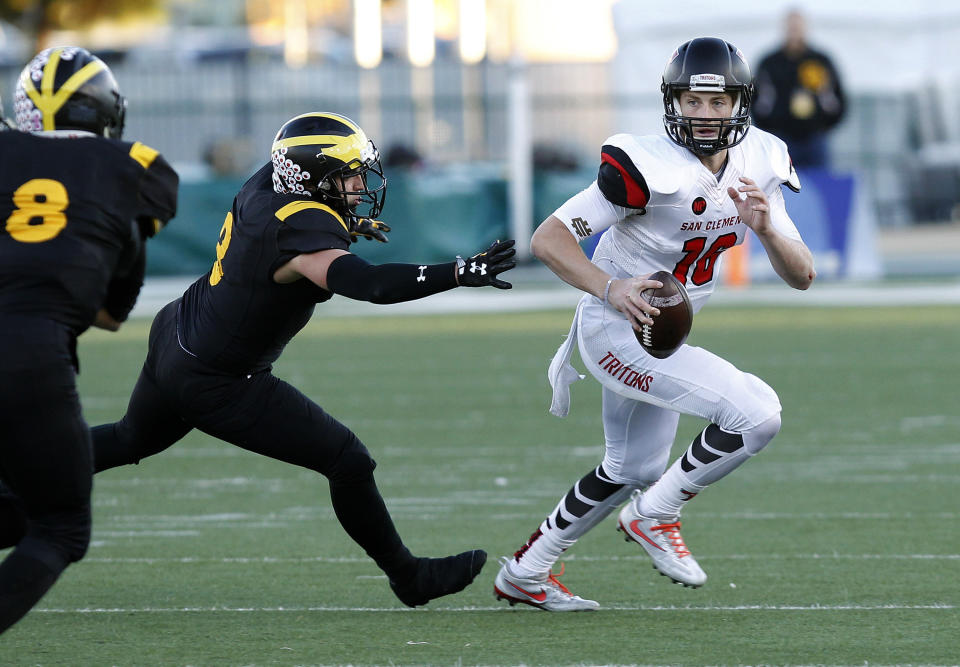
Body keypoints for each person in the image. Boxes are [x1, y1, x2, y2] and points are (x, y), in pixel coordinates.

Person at [91, 111, 516, 607]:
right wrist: (459, 271)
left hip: (178, 331)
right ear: (314, 181)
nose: (359, 183)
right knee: (347, 460)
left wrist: (342, 222)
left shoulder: (267, 180)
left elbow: (298, 223)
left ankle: (16, 477)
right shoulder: (302, 228)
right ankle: (409, 576)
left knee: (128, 438)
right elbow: (369, 285)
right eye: (348, 175)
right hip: (219, 377)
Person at [493, 37, 816, 611]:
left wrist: (765, 229)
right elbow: (548, 239)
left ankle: (527, 569)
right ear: (674, 103)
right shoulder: (645, 166)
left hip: (664, 332)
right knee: (757, 415)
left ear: (741, 104)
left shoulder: (762, 160)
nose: (706, 116)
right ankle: (654, 514)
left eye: (718, 104)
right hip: (617, 326)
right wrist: (609, 287)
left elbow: (803, 276)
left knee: (634, 466)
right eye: (694, 101)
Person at [0, 46, 178, 633]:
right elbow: (108, 314)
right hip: (28, 352)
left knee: (16, 508)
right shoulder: (133, 169)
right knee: (60, 524)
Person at [751, 9, 846, 169]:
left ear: (805, 28)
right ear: (784, 28)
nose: (794, 31)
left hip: (815, 138)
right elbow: (757, 99)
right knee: (780, 182)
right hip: (780, 136)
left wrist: (824, 125)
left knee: (819, 185)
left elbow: (836, 98)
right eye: (791, 27)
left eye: (798, 27)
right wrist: (768, 128)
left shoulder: (821, 61)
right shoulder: (770, 63)